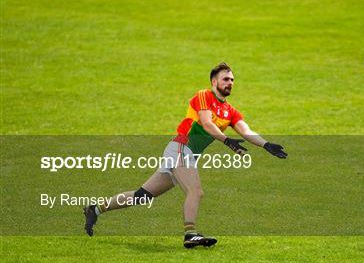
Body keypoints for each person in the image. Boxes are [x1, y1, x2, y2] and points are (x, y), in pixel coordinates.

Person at [83, 63, 288, 248]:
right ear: (214, 81)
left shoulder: (230, 111)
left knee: (141, 196)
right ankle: (190, 234)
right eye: (226, 79)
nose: (230, 83)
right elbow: (206, 123)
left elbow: (246, 131)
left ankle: (96, 209)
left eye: (232, 80)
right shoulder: (204, 96)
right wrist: (227, 141)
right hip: (180, 148)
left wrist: (266, 145)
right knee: (196, 191)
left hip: (186, 155)